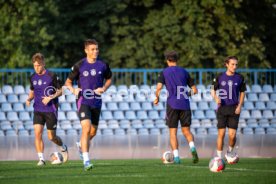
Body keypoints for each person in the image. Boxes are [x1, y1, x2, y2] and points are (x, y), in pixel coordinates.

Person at [64, 39, 112, 171]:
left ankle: (81, 144)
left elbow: (109, 79)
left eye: (96, 49)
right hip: (83, 101)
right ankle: (86, 160)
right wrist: (73, 90)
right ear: (86, 51)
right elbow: (68, 82)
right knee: (86, 128)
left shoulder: (103, 65)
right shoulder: (79, 65)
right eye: (92, 49)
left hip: (96, 102)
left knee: (93, 132)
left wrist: (104, 88)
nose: (95, 51)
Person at [154, 50, 199, 164]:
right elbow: (195, 90)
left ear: (167, 60)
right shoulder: (184, 71)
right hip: (185, 104)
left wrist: (157, 98)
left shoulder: (164, 72)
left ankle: (177, 158)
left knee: (173, 132)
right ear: (177, 60)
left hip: (172, 105)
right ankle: (192, 147)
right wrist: (185, 94)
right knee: (186, 131)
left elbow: (159, 87)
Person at [26, 53, 68, 166]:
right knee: (37, 134)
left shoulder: (52, 75)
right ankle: (41, 159)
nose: (37, 68)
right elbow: (32, 90)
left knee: (51, 137)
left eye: (39, 65)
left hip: (51, 110)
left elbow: (62, 91)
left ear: (44, 64)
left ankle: (63, 146)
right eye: (34, 65)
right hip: (38, 110)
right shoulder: (32, 77)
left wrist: (50, 97)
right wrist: (29, 99)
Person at [211, 56, 246, 159]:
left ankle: (229, 152)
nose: (234, 67)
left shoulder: (240, 77)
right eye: (232, 64)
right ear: (227, 64)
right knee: (221, 134)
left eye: (236, 64)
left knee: (232, 135)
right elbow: (212, 89)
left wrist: (240, 106)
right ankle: (218, 157)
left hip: (234, 109)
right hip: (222, 109)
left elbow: (242, 93)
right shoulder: (219, 77)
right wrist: (216, 97)